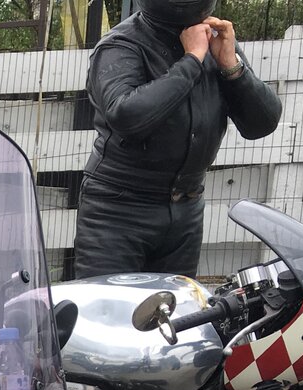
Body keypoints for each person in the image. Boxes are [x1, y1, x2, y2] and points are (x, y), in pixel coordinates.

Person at [72, 0, 283, 278]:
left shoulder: (213, 39)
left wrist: (232, 67)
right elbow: (127, 116)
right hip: (118, 210)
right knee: (109, 303)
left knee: (177, 304)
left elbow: (262, 124)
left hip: (186, 209)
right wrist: (192, 60)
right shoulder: (121, 44)